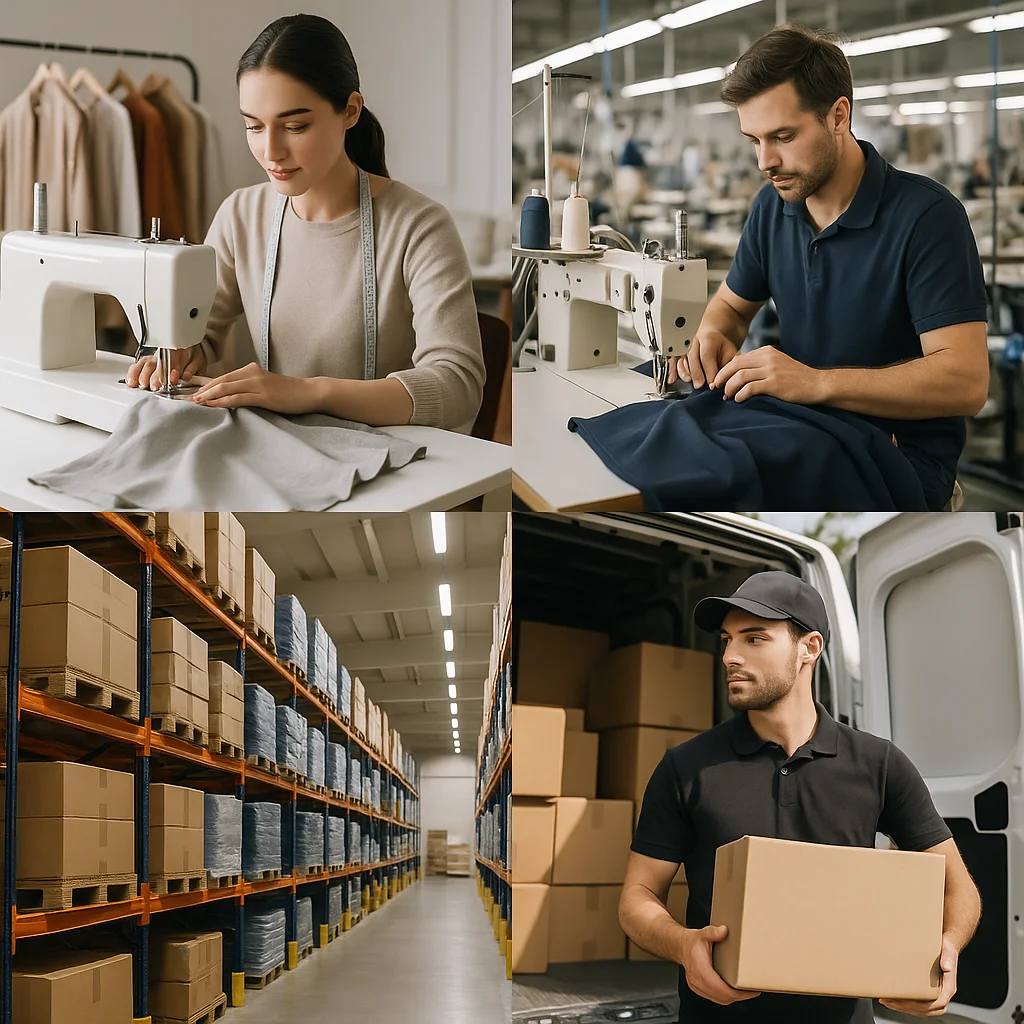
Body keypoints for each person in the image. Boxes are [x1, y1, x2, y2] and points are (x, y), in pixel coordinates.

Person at [618, 571, 981, 1023]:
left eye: (754, 639)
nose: (730, 656)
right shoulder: (686, 766)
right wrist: (683, 944)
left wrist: (944, 953)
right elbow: (638, 896)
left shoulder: (879, 764)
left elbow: (959, 889)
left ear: (809, 648)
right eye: (726, 640)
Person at [669, 25, 989, 511]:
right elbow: (732, 307)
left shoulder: (927, 217)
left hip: (901, 463)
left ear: (839, 116)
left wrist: (816, 382)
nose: (765, 161)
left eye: (783, 136)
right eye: (754, 140)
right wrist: (713, 333)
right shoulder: (771, 208)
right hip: (809, 431)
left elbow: (966, 382)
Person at [127, 14, 485, 433]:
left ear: (350, 111)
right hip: (282, 449)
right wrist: (175, 354)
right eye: (253, 126)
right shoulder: (241, 215)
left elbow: (457, 384)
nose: (271, 151)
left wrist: (311, 392)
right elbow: (200, 333)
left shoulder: (419, 228)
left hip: (393, 462)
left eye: (295, 126)